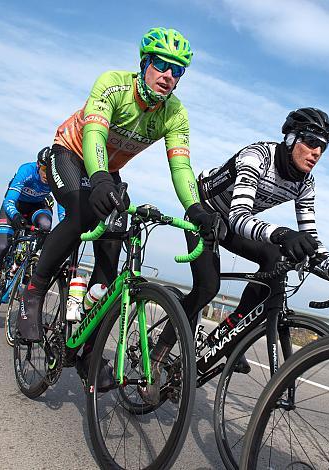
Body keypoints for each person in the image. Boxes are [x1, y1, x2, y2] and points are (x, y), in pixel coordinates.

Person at [17, 27, 223, 386]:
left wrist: (196, 209)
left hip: (107, 170)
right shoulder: (112, 84)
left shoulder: (174, 114)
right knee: (82, 212)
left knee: (115, 245)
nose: (169, 76)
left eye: (178, 71)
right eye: (161, 65)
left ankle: (90, 353)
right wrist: (98, 178)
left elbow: (181, 166)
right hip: (70, 154)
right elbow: (94, 134)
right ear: (144, 63)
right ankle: (33, 292)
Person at [142, 107, 329, 403]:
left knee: (276, 260)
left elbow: (310, 240)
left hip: (235, 224)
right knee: (208, 287)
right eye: (311, 142)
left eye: (322, 147)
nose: (316, 152)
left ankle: (230, 335)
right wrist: (282, 234)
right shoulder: (257, 157)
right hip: (205, 214)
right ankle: (156, 360)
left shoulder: (305, 183)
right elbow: (238, 216)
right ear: (290, 139)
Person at [0, 147, 64, 320]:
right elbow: (9, 200)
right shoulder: (27, 170)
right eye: (45, 170)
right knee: (2, 246)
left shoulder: (56, 179)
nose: (47, 175)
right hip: (14, 207)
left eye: (51, 172)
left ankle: (29, 261)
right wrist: (15, 216)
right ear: (39, 165)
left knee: (46, 226)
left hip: (36, 208)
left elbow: (62, 211)